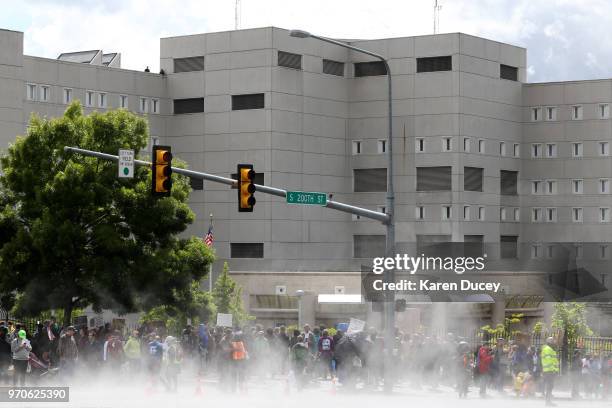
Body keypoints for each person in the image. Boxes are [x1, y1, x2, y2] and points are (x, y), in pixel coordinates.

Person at [541, 337, 559, 406]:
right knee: (549, 387)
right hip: (549, 371)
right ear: (550, 342)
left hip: (549, 371)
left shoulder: (550, 349)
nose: (554, 343)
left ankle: (548, 402)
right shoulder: (548, 349)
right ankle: (548, 402)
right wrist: (554, 370)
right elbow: (549, 361)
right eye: (553, 341)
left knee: (550, 387)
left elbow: (553, 361)